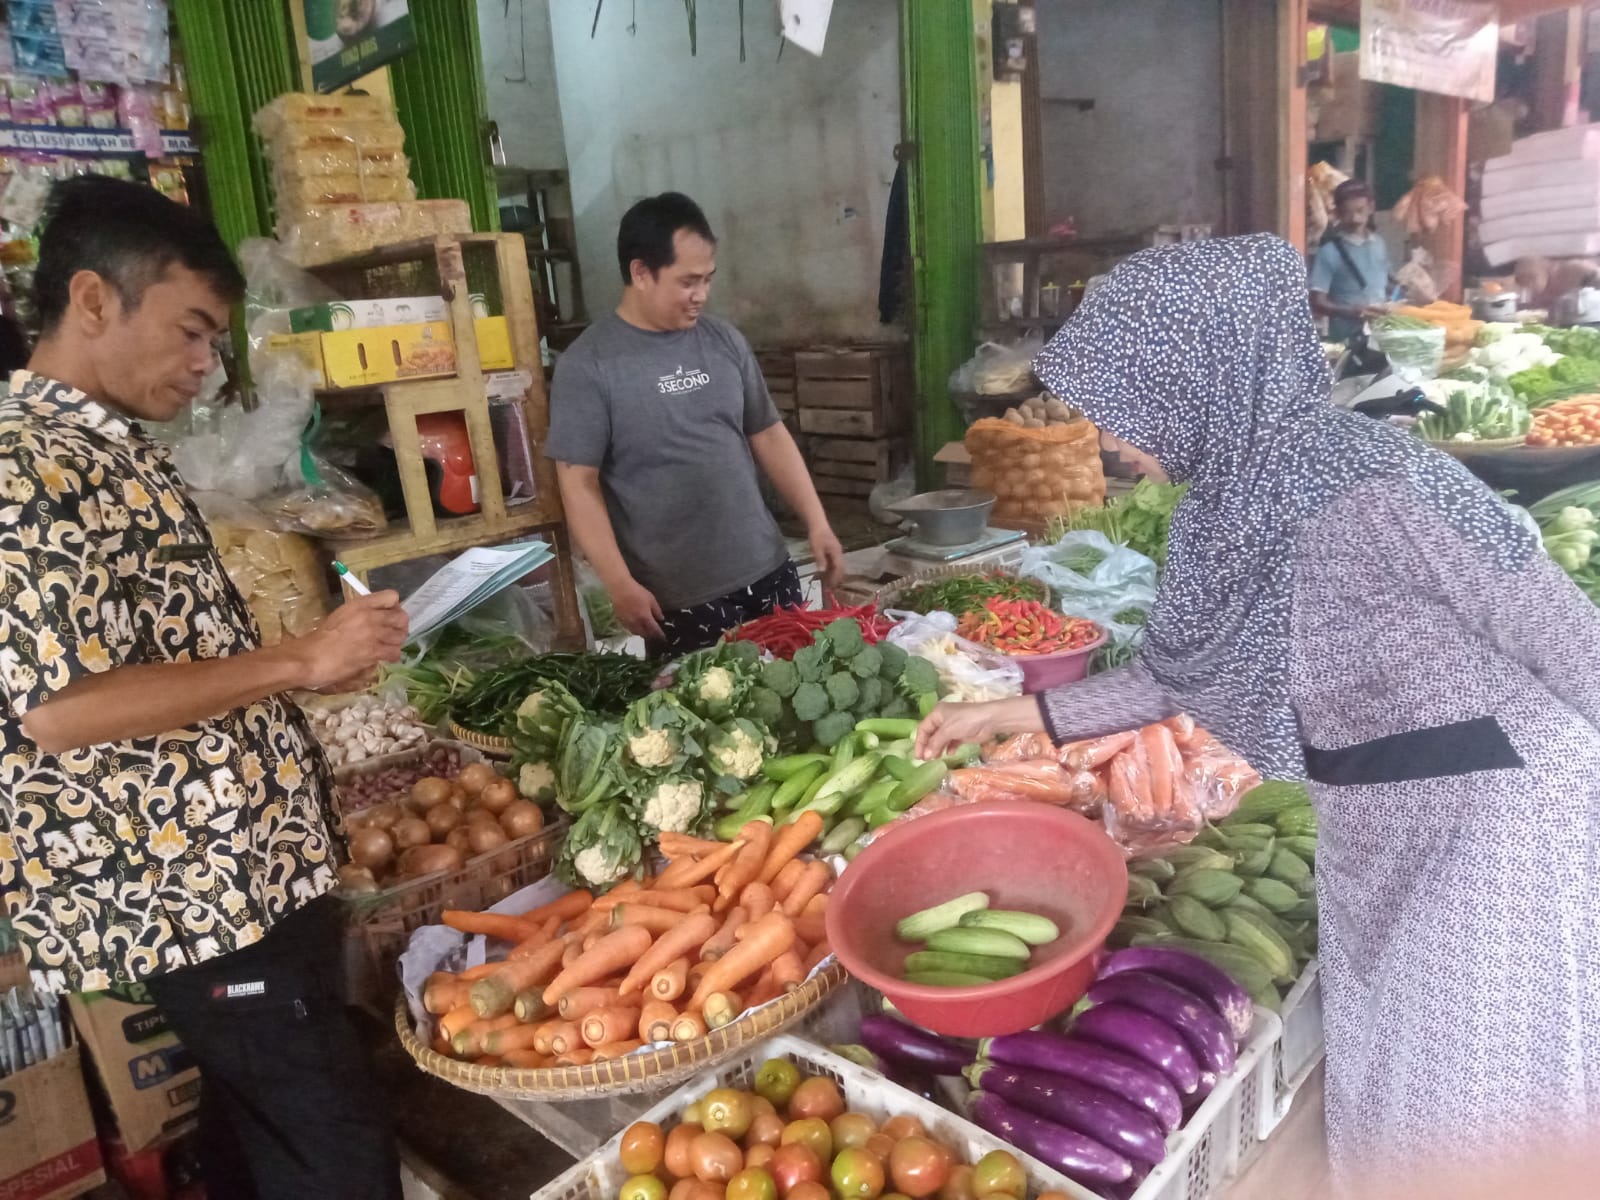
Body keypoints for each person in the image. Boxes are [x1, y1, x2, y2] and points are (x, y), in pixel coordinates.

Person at [916, 235, 1600, 1188]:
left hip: (1495, 819)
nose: (1111, 439)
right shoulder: (1225, 505)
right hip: (1378, 806)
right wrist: (1005, 718)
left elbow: (1561, 631)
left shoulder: (1380, 482)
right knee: (1398, 1064)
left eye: (1128, 407)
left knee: (1469, 1097)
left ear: (1201, 376)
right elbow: (1175, 676)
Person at [0, 177, 408, 1199]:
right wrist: (295, 661)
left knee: (260, 1127)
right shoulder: (26, 468)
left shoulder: (104, 448)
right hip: (201, 899)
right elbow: (61, 707)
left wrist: (303, 673)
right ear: (93, 301)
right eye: (190, 332)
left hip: (252, 877)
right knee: (338, 1158)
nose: (203, 365)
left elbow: (152, 657)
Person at [547, 192, 844, 654]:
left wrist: (817, 521)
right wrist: (619, 582)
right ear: (641, 273)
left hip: (768, 572)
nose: (701, 295)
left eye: (708, 279)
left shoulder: (723, 340)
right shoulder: (589, 365)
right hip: (680, 600)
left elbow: (767, 433)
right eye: (688, 281)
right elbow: (577, 483)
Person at [1308, 179, 1391, 340]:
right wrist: (1350, 311)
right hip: (1346, 338)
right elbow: (1317, 301)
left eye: (1360, 210)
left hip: (1380, 333)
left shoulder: (1379, 244)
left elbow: (1384, 282)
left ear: (1371, 208)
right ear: (1338, 213)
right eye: (1347, 212)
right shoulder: (1328, 252)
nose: (1355, 218)